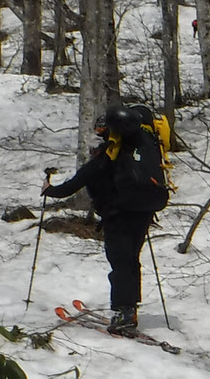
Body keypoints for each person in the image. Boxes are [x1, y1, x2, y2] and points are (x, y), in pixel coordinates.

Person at [43, 102, 170, 334]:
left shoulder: (110, 155)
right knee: (130, 260)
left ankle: (124, 313)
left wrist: (49, 190)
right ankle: (129, 309)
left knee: (120, 262)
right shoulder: (146, 144)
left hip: (119, 214)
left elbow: (76, 183)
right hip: (143, 212)